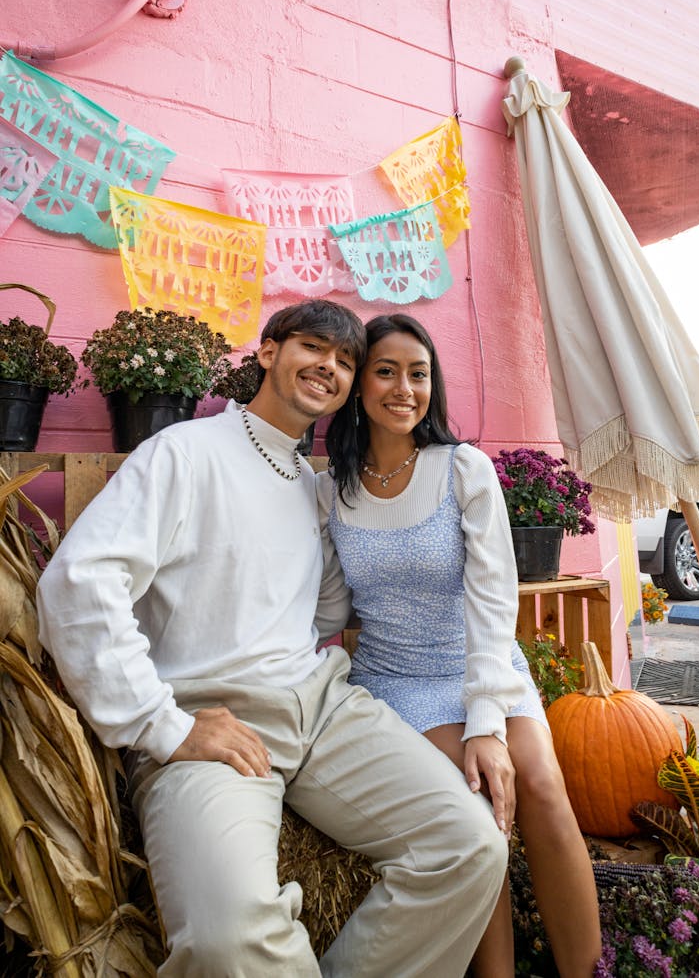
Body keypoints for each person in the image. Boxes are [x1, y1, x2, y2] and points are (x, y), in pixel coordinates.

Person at [36, 299, 508, 978]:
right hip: (211, 721)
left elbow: (320, 611)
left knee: (470, 845)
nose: (331, 366)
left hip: (320, 707)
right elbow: (77, 585)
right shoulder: (184, 452)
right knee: (226, 939)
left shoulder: (311, 487)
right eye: (314, 346)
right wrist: (163, 725)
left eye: (346, 360)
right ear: (266, 352)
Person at [316, 313, 602, 978]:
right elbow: (329, 604)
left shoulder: (462, 469)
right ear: (359, 385)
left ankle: (592, 970)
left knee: (538, 781)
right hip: (396, 679)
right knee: (480, 801)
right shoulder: (333, 488)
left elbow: (494, 598)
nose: (404, 388)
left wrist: (486, 719)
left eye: (418, 374)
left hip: (479, 660)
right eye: (386, 371)